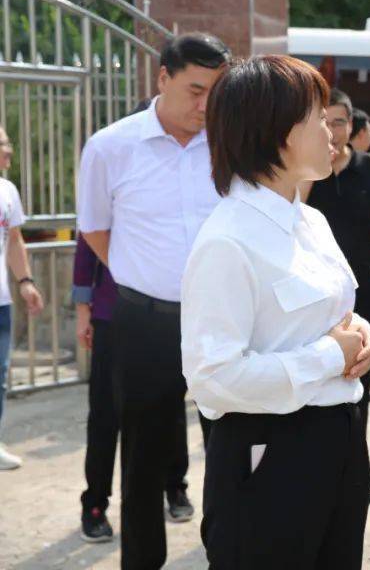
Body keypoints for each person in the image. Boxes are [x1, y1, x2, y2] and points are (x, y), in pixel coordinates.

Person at [182, 54, 370, 568]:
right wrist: (330, 356)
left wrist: (361, 335)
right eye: (318, 117)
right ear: (277, 131)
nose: (333, 130)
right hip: (270, 450)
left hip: (339, 437)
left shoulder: (310, 221)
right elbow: (213, 378)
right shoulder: (228, 239)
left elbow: (334, 312)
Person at [77, 32, 230, 569]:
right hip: (144, 322)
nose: (205, 106)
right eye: (195, 90)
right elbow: (96, 229)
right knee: (142, 456)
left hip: (221, 320)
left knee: (230, 446)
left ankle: (228, 555)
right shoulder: (110, 147)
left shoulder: (231, 146)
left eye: (215, 93)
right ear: (162, 78)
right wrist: (142, 274)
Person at [304, 90, 370, 504]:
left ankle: (354, 474)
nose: (332, 130)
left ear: (352, 125)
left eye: (340, 122)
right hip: (314, 296)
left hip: (360, 291)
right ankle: (317, 474)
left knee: (359, 383)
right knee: (318, 383)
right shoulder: (307, 171)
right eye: (324, 122)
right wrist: (315, 170)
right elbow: (294, 215)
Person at [74, 232, 202, 542]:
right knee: (105, 412)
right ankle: (95, 503)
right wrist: (82, 310)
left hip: (170, 313)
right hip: (111, 312)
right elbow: (87, 240)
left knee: (171, 405)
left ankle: (175, 486)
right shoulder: (111, 199)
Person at [0, 125, 45, 471]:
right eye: (2, 144)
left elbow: (14, 240)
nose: (9, 149)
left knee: (0, 376)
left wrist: (26, 281)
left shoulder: (8, 191)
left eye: (8, 142)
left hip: (1, 303)